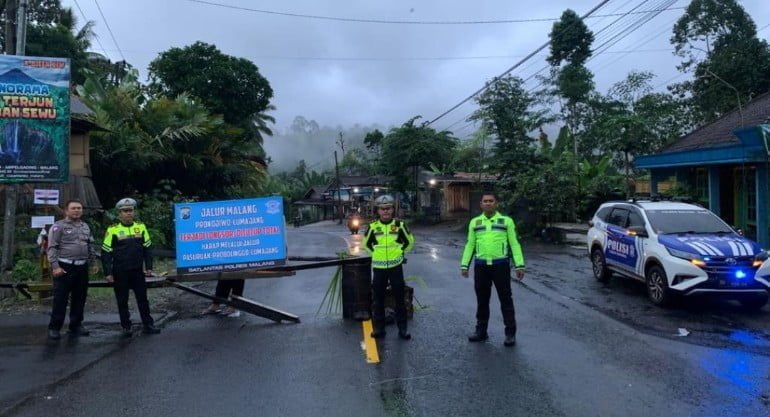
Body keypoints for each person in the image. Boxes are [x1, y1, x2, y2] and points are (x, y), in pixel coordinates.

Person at [460, 192, 525, 347]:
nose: (488, 203)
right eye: (485, 201)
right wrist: (464, 265)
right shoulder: (475, 222)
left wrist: (519, 265)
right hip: (481, 266)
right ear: (481, 204)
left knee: (506, 300)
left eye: (491, 201)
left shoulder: (506, 221)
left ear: (496, 203)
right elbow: (470, 244)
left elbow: (514, 244)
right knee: (482, 301)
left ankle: (510, 333)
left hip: (500, 266)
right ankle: (481, 331)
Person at [101, 198, 160, 337]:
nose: (128, 213)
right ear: (119, 213)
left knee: (143, 299)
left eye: (130, 211)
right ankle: (126, 326)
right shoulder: (113, 229)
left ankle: (148, 324)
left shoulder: (141, 227)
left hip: (137, 270)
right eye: (125, 211)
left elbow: (148, 249)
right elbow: (105, 252)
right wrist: (108, 272)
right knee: (122, 300)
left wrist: (149, 267)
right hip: (120, 271)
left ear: (134, 212)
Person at [363, 194, 415, 340]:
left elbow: (409, 242)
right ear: (378, 211)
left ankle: (403, 329)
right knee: (378, 299)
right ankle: (379, 329)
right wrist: (375, 254)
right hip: (379, 269)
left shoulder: (400, 226)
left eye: (388, 208)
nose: (385, 211)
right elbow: (366, 244)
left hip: (395, 267)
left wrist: (400, 253)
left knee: (400, 299)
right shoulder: (373, 227)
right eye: (382, 209)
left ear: (393, 209)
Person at [47, 199, 97, 340]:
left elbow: (90, 245)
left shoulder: (85, 226)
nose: (77, 210)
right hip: (64, 267)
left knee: (80, 298)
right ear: (66, 210)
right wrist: (55, 266)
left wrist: (93, 263)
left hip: (82, 267)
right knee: (60, 299)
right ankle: (55, 327)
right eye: (74, 208)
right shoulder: (59, 227)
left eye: (79, 208)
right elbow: (51, 247)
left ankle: (75, 325)